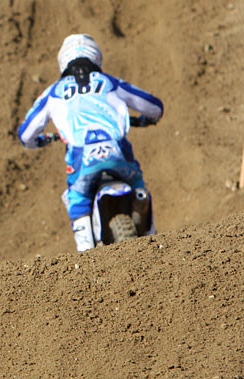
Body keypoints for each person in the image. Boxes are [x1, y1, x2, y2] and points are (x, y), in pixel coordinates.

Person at [17, 34, 164, 251]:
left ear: (63, 61)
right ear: (96, 57)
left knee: (78, 198)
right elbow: (154, 107)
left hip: (82, 159)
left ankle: (85, 252)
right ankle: (152, 237)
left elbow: (25, 134)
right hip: (117, 155)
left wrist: (38, 142)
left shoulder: (54, 92)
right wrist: (146, 121)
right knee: (137, 185)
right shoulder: (109, 82)